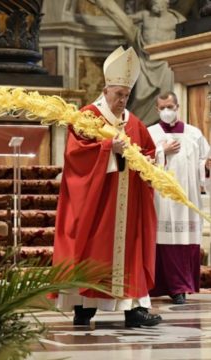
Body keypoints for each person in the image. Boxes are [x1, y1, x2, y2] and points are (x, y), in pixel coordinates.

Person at [53, 46, 162, 328]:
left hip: (128, 207)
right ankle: (84, 306)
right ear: (105, 89)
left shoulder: (134, 122)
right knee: (93, 250)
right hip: (99, 204)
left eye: (126, 96)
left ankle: (133, 308)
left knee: (131, 250)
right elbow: (75, 155)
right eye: (118, 95)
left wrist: (152, 158)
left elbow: (148, 152)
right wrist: (107, 148)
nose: (123, 101)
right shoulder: (88, 117)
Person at [147, 92, 210, 304]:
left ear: (177, 106)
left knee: (185, 240)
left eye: (170, 106)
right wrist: (161, 151)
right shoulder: (150, 133)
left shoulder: (194, 133)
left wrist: (206, 166)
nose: (166, 111)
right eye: (162, 107)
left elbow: (204, 161)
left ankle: (180, 287)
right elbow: (141, 162)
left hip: (187, 196)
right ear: (157, 110)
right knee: (162, 239)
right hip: (161, 198)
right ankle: (160, 285)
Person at [90, 0, 185, 125]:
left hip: (164, 63)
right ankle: (139, 124)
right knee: (140, 96)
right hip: (145, 59)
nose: (155, 4)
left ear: (167, 2)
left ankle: (164, 123)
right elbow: (123, 18)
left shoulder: (176, 19)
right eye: (153, 2)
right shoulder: (145, 15)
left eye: (158, 1)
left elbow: (188, 33)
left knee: (165, 95)